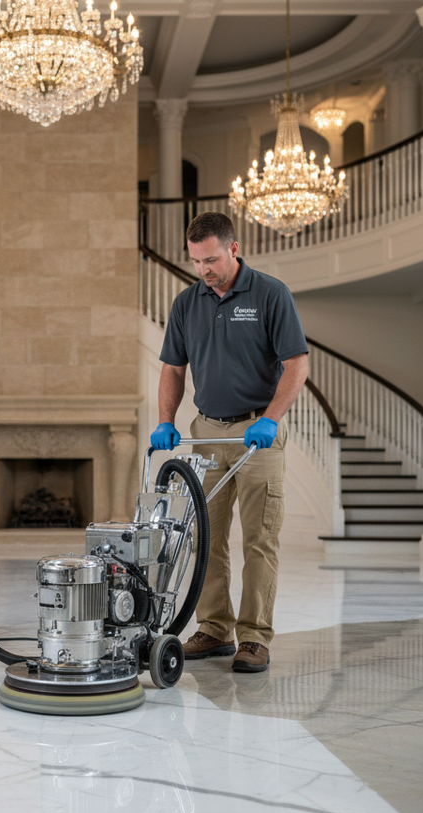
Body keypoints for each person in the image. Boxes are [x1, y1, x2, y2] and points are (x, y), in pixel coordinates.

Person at [151, 212, 308, 673]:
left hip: (256, 433)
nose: (205, 269)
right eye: (196, 261)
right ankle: (214, 628)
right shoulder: (187, 304)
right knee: (206, 536)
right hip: (206, 433)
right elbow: (173, 369)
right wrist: (166, 419)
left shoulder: (269, 294)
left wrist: (272, 418)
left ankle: (254, 637)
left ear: (234, 249)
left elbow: (296, 364)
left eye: (212, 259)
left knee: (259, 538)